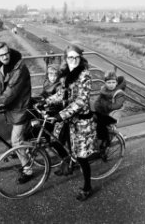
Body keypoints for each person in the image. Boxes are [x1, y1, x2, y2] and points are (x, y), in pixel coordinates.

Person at [45, 44, 97, 201]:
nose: (73, 60)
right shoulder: (65, 75)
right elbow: (61, 94)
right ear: (65, 58)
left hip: (81, 121)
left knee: (81, 156)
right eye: (70, 57)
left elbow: (81, 100)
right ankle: (68, 162)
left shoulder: (85, 75)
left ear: (80, 58)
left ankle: (87, 186)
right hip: (68, 119)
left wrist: (62, 114)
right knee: (56, 141)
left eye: (76, 57)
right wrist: (46, 101)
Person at [0, 41, 32, 184]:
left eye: (6, 53)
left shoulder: (19, 67)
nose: (5, 57)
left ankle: (28, 170)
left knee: (16, 141)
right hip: (12, 108)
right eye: (1, 55)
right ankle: (22, 151)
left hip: (20, 107)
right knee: (18, 139)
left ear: (9, 51)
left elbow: (11, 91)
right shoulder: (0, 66)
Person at [94, 71, 126, 147]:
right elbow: (98, 101)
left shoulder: (119, 93)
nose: (111, 85)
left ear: (116, 83)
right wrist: (97, 106)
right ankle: (97, 142)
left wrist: (105, 105)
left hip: (112, 115)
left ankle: (103, 144)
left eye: (113, 82)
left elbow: (117, 105)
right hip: (103, 112)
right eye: (108, 82)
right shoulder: (104, 91)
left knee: (101, 126)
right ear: (105, 83)